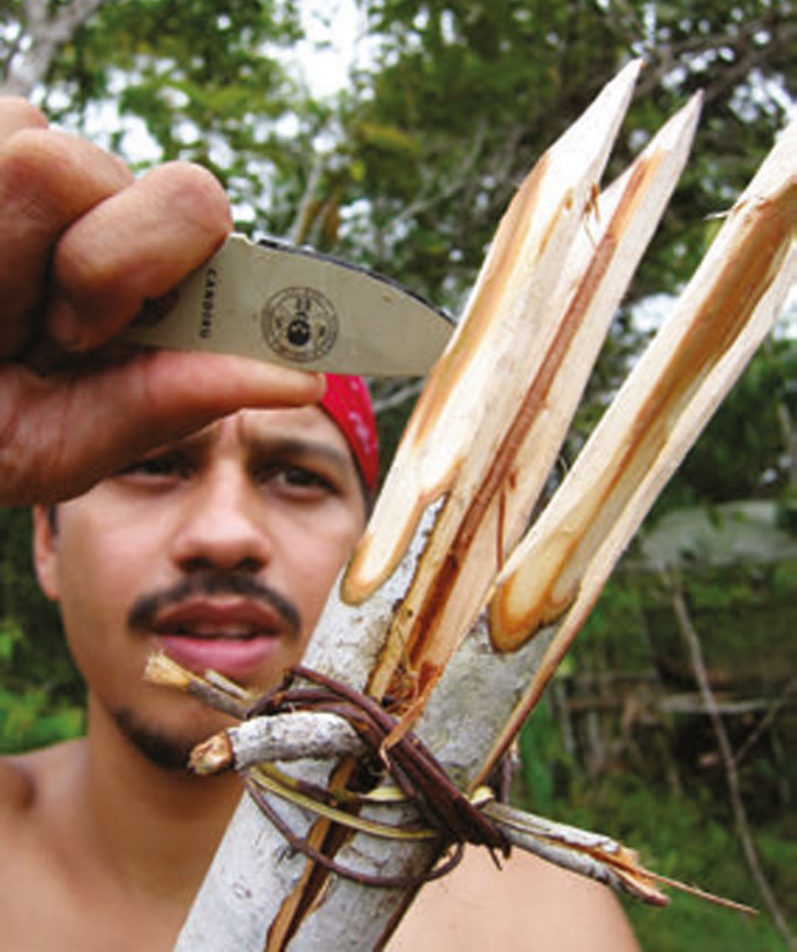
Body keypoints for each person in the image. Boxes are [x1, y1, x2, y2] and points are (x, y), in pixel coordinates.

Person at [0, 97, 640, 949]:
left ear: (370, 554)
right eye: (153, 463)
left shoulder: (540, 928)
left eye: (296, 476)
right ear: (46, 540)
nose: (225, 533)